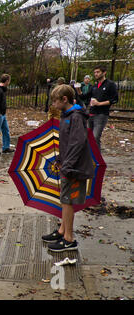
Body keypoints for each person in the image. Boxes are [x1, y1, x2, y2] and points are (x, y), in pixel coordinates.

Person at [42, 85, 95, 252]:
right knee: (65, 200)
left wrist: (68, 165)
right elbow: (66, 143)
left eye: (55, 101)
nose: (53, 105)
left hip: (74, 168)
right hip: (68, 165)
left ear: (64, 99)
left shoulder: (76, 117)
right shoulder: (66, 116)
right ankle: (62, 231)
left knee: (68, 201)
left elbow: (77, 143)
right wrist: (59, 159)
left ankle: (69, 239)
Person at [77, 65, 119, 150]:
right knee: (89, 137)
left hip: (101, 114)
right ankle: (91, 158)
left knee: (95, 136)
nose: (96, 74)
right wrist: (78, 89)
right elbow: (83, 97)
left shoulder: (110, 84)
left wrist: (99, 103)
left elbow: (114, 99)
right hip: (91, 113)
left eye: (98, 72)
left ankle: (97, 160)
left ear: (104, 73)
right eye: (95, 72)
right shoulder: (94, 86)